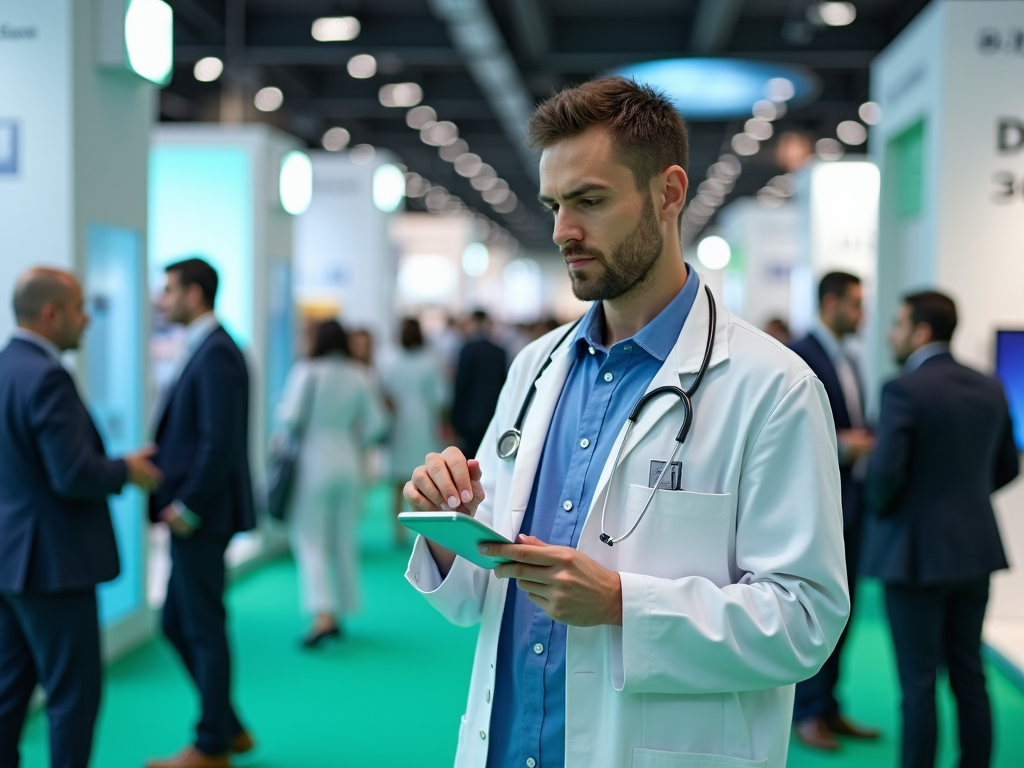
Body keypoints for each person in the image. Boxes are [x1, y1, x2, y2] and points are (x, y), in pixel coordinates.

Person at [402, 77, 849, 768]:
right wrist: (445, 523)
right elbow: (476, 597)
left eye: (589, 201)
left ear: (668, 193)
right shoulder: (535, 368)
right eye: (554, 205)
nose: (561, 232)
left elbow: (805, 621)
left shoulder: (774, 388)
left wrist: (621, 604)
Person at [0, 268, 162, 768]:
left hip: (11, 560)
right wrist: (126, 470)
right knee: (74, 696)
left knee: (9, 690)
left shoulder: (7, 366)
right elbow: (70, 474)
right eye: (78, 308)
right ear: (50, 314)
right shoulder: (48, 376)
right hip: (52, 563)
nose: (87, 319)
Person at [863, 291, 1019, 768]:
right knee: (970, 674)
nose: (892, 333)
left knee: (918, 682)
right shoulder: (989, 385)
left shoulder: (903, 389)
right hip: (974, 551)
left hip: (913, 557)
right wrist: (965, 500)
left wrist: (882, 503)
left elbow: (884, 476)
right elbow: (1009, 466)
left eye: (898, 323)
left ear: (922, 332)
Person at [147, 258, 256, 768]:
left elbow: (219, 440)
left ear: (195, 294)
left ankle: (212, 743)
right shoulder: (208, 348)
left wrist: (188, 505)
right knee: (175, 621)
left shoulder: (216, 353)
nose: (160, 300)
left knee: (201, 627)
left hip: (201, 517)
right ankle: (226, 724)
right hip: (195, 516)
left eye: (167, 290)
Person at [788, 272, 879, 749]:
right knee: (809, 606)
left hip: (852, 504)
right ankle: (805, 711)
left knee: (842, 609)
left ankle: (828, 706)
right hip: (815, 504)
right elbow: (792, 434)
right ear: (831, 302)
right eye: (857, 305)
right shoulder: (799, 355)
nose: (863, 315)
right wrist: (844, 447)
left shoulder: (850, 357)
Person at [277, 320, 386, 646]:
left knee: (310, 540)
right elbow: (379, 423)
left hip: (313, 461)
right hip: (348, 461)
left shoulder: (306, 372)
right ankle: (339, 610)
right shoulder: (360, 375)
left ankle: (322, 614)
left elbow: (291, 417)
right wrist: (356, 440)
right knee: (343, 540)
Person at [380, 318, 448, 547]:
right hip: (423, 421)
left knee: (398, 480)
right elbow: (439, 397)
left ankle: (397, 531)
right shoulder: (430, 361)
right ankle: (427, 531)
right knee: (427, 477)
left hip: (399, 421)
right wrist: (442, 424)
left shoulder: (391, 361)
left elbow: (385, 393)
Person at [451, 310, 507, 458]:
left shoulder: (467, 349)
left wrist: (455, 417)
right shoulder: (499, 351)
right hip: (492, 414)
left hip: (469, 416)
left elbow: (461, 385)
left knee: (469, 460)